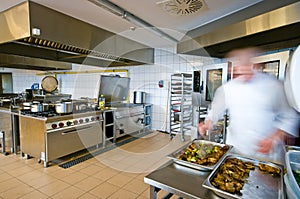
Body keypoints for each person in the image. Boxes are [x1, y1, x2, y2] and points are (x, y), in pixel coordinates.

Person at [198, 47, 299, 163]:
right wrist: (207, 123)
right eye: (239, 68)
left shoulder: (273, 86)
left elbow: (291, 117)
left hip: (267, 155)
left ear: (254, 65)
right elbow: (215, 112)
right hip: (237, 151)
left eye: (246, 66)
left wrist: (274, 138)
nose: (243, 71)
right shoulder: (227, 89)